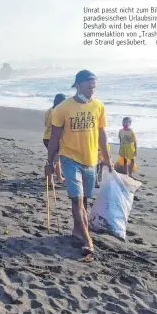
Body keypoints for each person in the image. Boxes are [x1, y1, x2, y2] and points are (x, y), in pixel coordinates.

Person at [45, 69, 111, 257]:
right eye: (89, 85)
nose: (92, 88)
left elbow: (101, 133)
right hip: (69, 158)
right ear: (78, 85)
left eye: (94, 86)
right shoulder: (62, 108)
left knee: (84, 200)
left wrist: (107, 159)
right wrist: (50, 162)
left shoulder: (98, 106)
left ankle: (77, 230)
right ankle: (87, 239)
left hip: (90, 160)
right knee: (76, 199)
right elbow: (54, 137)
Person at [43, 93, 66, 185]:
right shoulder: (58, 112)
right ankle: (50, 180)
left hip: (46, 137)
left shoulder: (49, 111)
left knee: (55, 158)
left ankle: (60, 177)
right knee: (54, 160)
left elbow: (46, 124)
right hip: (53, 138)